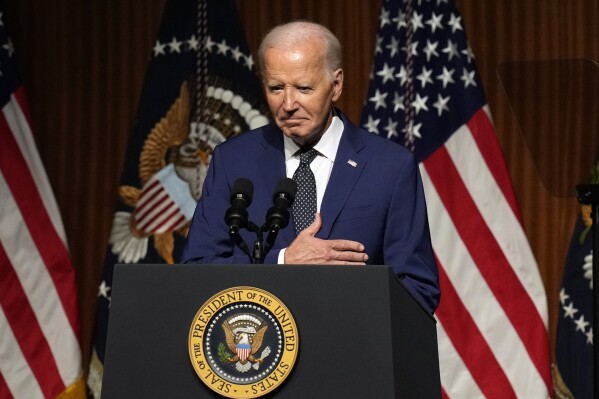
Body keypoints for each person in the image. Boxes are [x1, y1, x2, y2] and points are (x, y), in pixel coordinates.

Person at [181, 21, 440, 314]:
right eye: (276, 88)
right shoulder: (233, 160)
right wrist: (282, 262)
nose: (288, 103)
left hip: (352, 350)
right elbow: (196, 269)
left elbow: (418, 288)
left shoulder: (389, 167)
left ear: (336, 84)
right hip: (258, 349)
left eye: (304, 88)